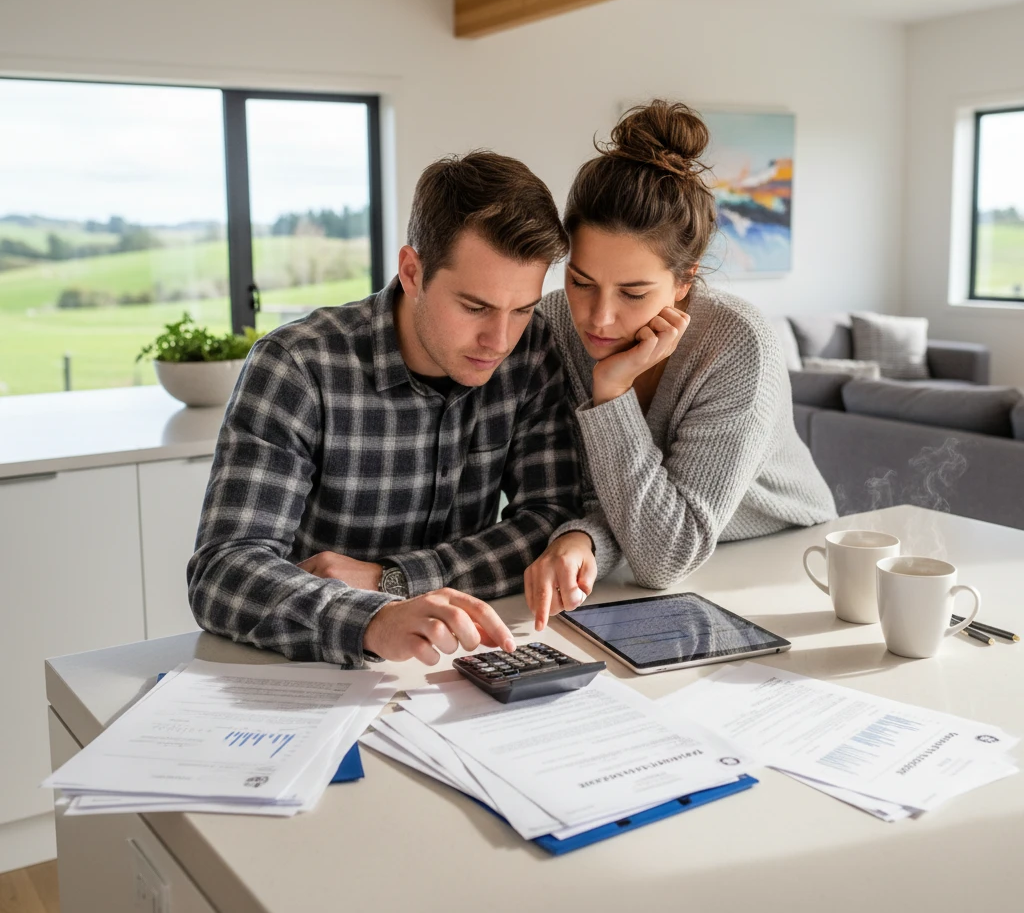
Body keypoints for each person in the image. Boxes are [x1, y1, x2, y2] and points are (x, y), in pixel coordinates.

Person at [188, 151, 580, 666]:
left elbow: (550, 521)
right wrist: (370, 618)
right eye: (475, 307)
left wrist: (392, 580)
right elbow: (223, 570)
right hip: (317, 672)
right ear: (412, 271)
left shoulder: (532, 353)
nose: (499, 339)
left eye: (522, 309)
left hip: (464, 661)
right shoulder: (298, 366)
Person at [524, 101, 836, 629]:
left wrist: (613, 391)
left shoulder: (737, 344)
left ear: (685, 280)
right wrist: (584, 537)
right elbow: (608, 500)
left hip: (789, 560)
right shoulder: (553, 323)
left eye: (634, 292)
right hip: (655, 564)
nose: (599, 317)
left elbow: (667, 557)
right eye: (580, 281)